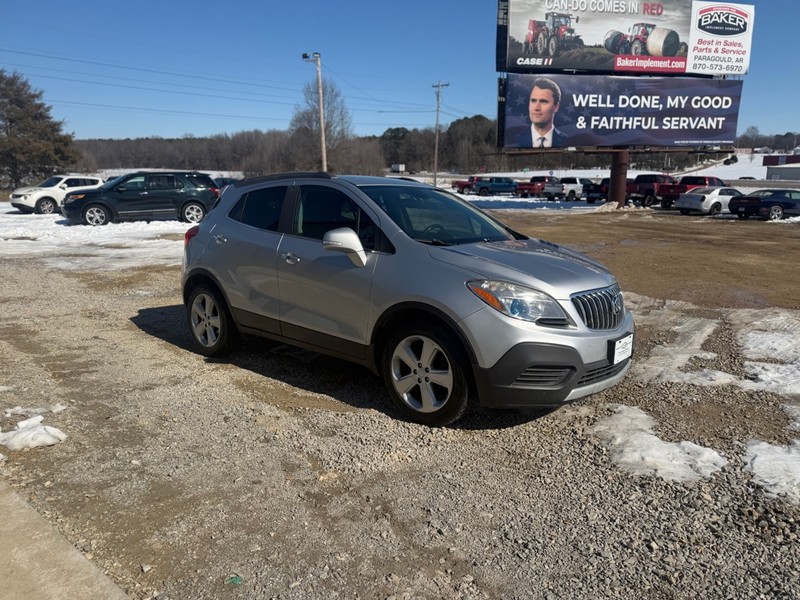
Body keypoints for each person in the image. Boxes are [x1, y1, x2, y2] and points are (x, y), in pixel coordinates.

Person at [515, 77, 566, 148]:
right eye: (533, 101)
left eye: (543, 102)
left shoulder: (566, 141)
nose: (537, 108)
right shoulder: (515, 141)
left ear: (556, 107)